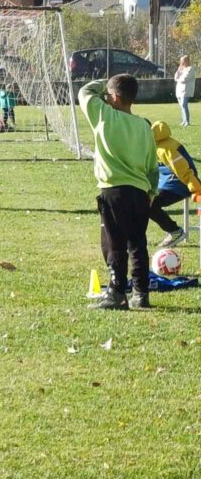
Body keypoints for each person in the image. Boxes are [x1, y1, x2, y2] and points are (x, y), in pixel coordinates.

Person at [79, 74, 159, 310]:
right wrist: (151, 192)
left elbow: (85, 92)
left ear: (113, 96)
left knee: (113, 243)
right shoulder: (144, 126)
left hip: (113, 189)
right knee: (137, 243)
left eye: (108, 95)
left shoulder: (105, 115)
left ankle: (116, 293)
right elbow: (152, 166)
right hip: (140, 192)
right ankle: (141, 294)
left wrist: (103, 83)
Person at [149, 120, 201, 247]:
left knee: (150, 204)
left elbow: (185, 170)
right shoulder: (157, 145)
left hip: (180, 184)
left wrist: (195, 189)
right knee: (143, 200)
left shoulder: (166, 148)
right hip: (168, 182)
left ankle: (174, 231)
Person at [174, 55, 196, 126]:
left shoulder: (191, 68)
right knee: (181, 105)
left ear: (186, 61)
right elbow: (175, 77)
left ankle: (187, 121)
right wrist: (178, 70)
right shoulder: (181, 69)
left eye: (183, 61)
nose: (182, 62)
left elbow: (185, 78)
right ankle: (183, 120)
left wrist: (178, 79)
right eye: (181, 61)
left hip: (186, 89)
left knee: (184, 104)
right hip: (179, 89)